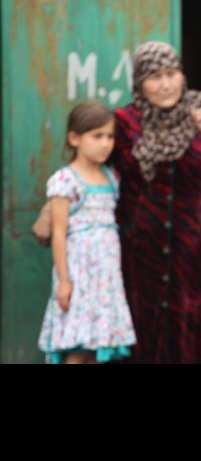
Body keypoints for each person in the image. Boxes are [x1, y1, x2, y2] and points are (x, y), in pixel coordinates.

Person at [109, 41, 201, 363]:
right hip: (139, 247)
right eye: (154, 76)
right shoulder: (123, 123)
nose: (166, 84)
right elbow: (95, 170)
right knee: (141, 324)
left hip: (189, 247)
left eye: (172, 74)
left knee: (188, 324)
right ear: (139, 82)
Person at [38, 101, 137, 364]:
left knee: (97, 344)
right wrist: (64, 280)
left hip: (105, 279)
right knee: (76, 344)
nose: (105, 144)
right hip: (79, 274)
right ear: (75, 138)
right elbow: (59, 232)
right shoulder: (66, 180)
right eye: (97, 136)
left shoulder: (111, 177)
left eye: (109, 137)